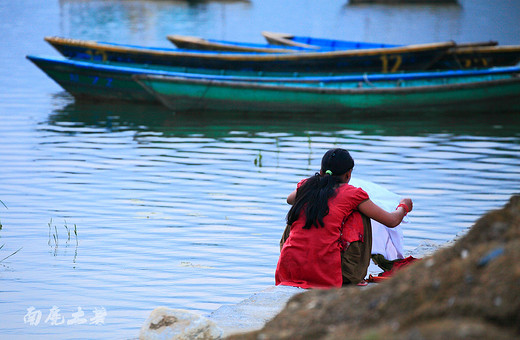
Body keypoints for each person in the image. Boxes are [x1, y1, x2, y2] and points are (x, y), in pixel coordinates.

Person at [275, 148, 412, 289]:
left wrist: (314, 184)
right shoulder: (353, 194)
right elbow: (391, 221)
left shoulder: (306, 186)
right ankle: (354, 275)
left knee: (302, 211)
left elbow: (289, 199)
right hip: (324, 275)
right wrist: (404, 206)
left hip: (288, 271)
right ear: (348, 175)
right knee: (359, 212)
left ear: (321, 171)